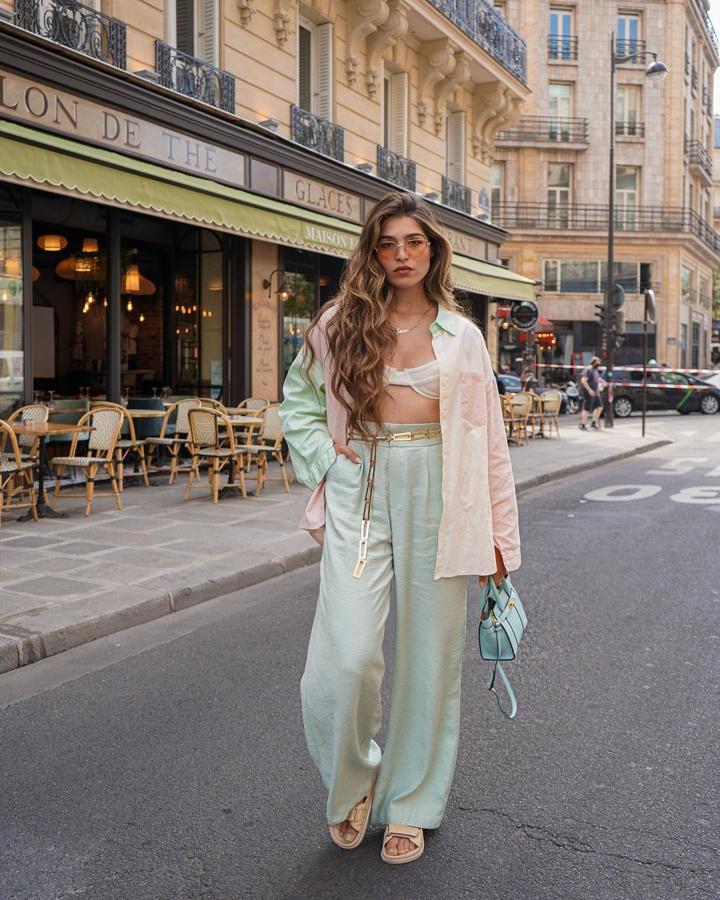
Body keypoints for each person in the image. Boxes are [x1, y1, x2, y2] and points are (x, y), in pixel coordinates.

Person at [279, 191, 521, 865]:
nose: (402, 254)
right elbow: (297, 405)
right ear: (373, 252)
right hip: (364, 482)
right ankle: (354, 782)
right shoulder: (337, 322)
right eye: (389, 243)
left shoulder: (463, 337)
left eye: (414, 242)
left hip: (444, 493)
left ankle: (411, 801)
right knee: (345, 659)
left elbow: (491, 442)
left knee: (427, 660)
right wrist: (329, 456)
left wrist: (499, 541)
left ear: (434, 251)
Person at [579, 356, 603, 430]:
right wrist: (589, 390)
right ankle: (582, 424)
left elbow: (596, 380)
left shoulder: (595, 370)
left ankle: (593, 422)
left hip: (595, 392)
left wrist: (602, 383)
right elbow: (583, 380)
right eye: (597, 363)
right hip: (589, 392)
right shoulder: (588, 370)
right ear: (594, 363)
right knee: (587, 408)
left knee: (600, 406)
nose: (599, 364)